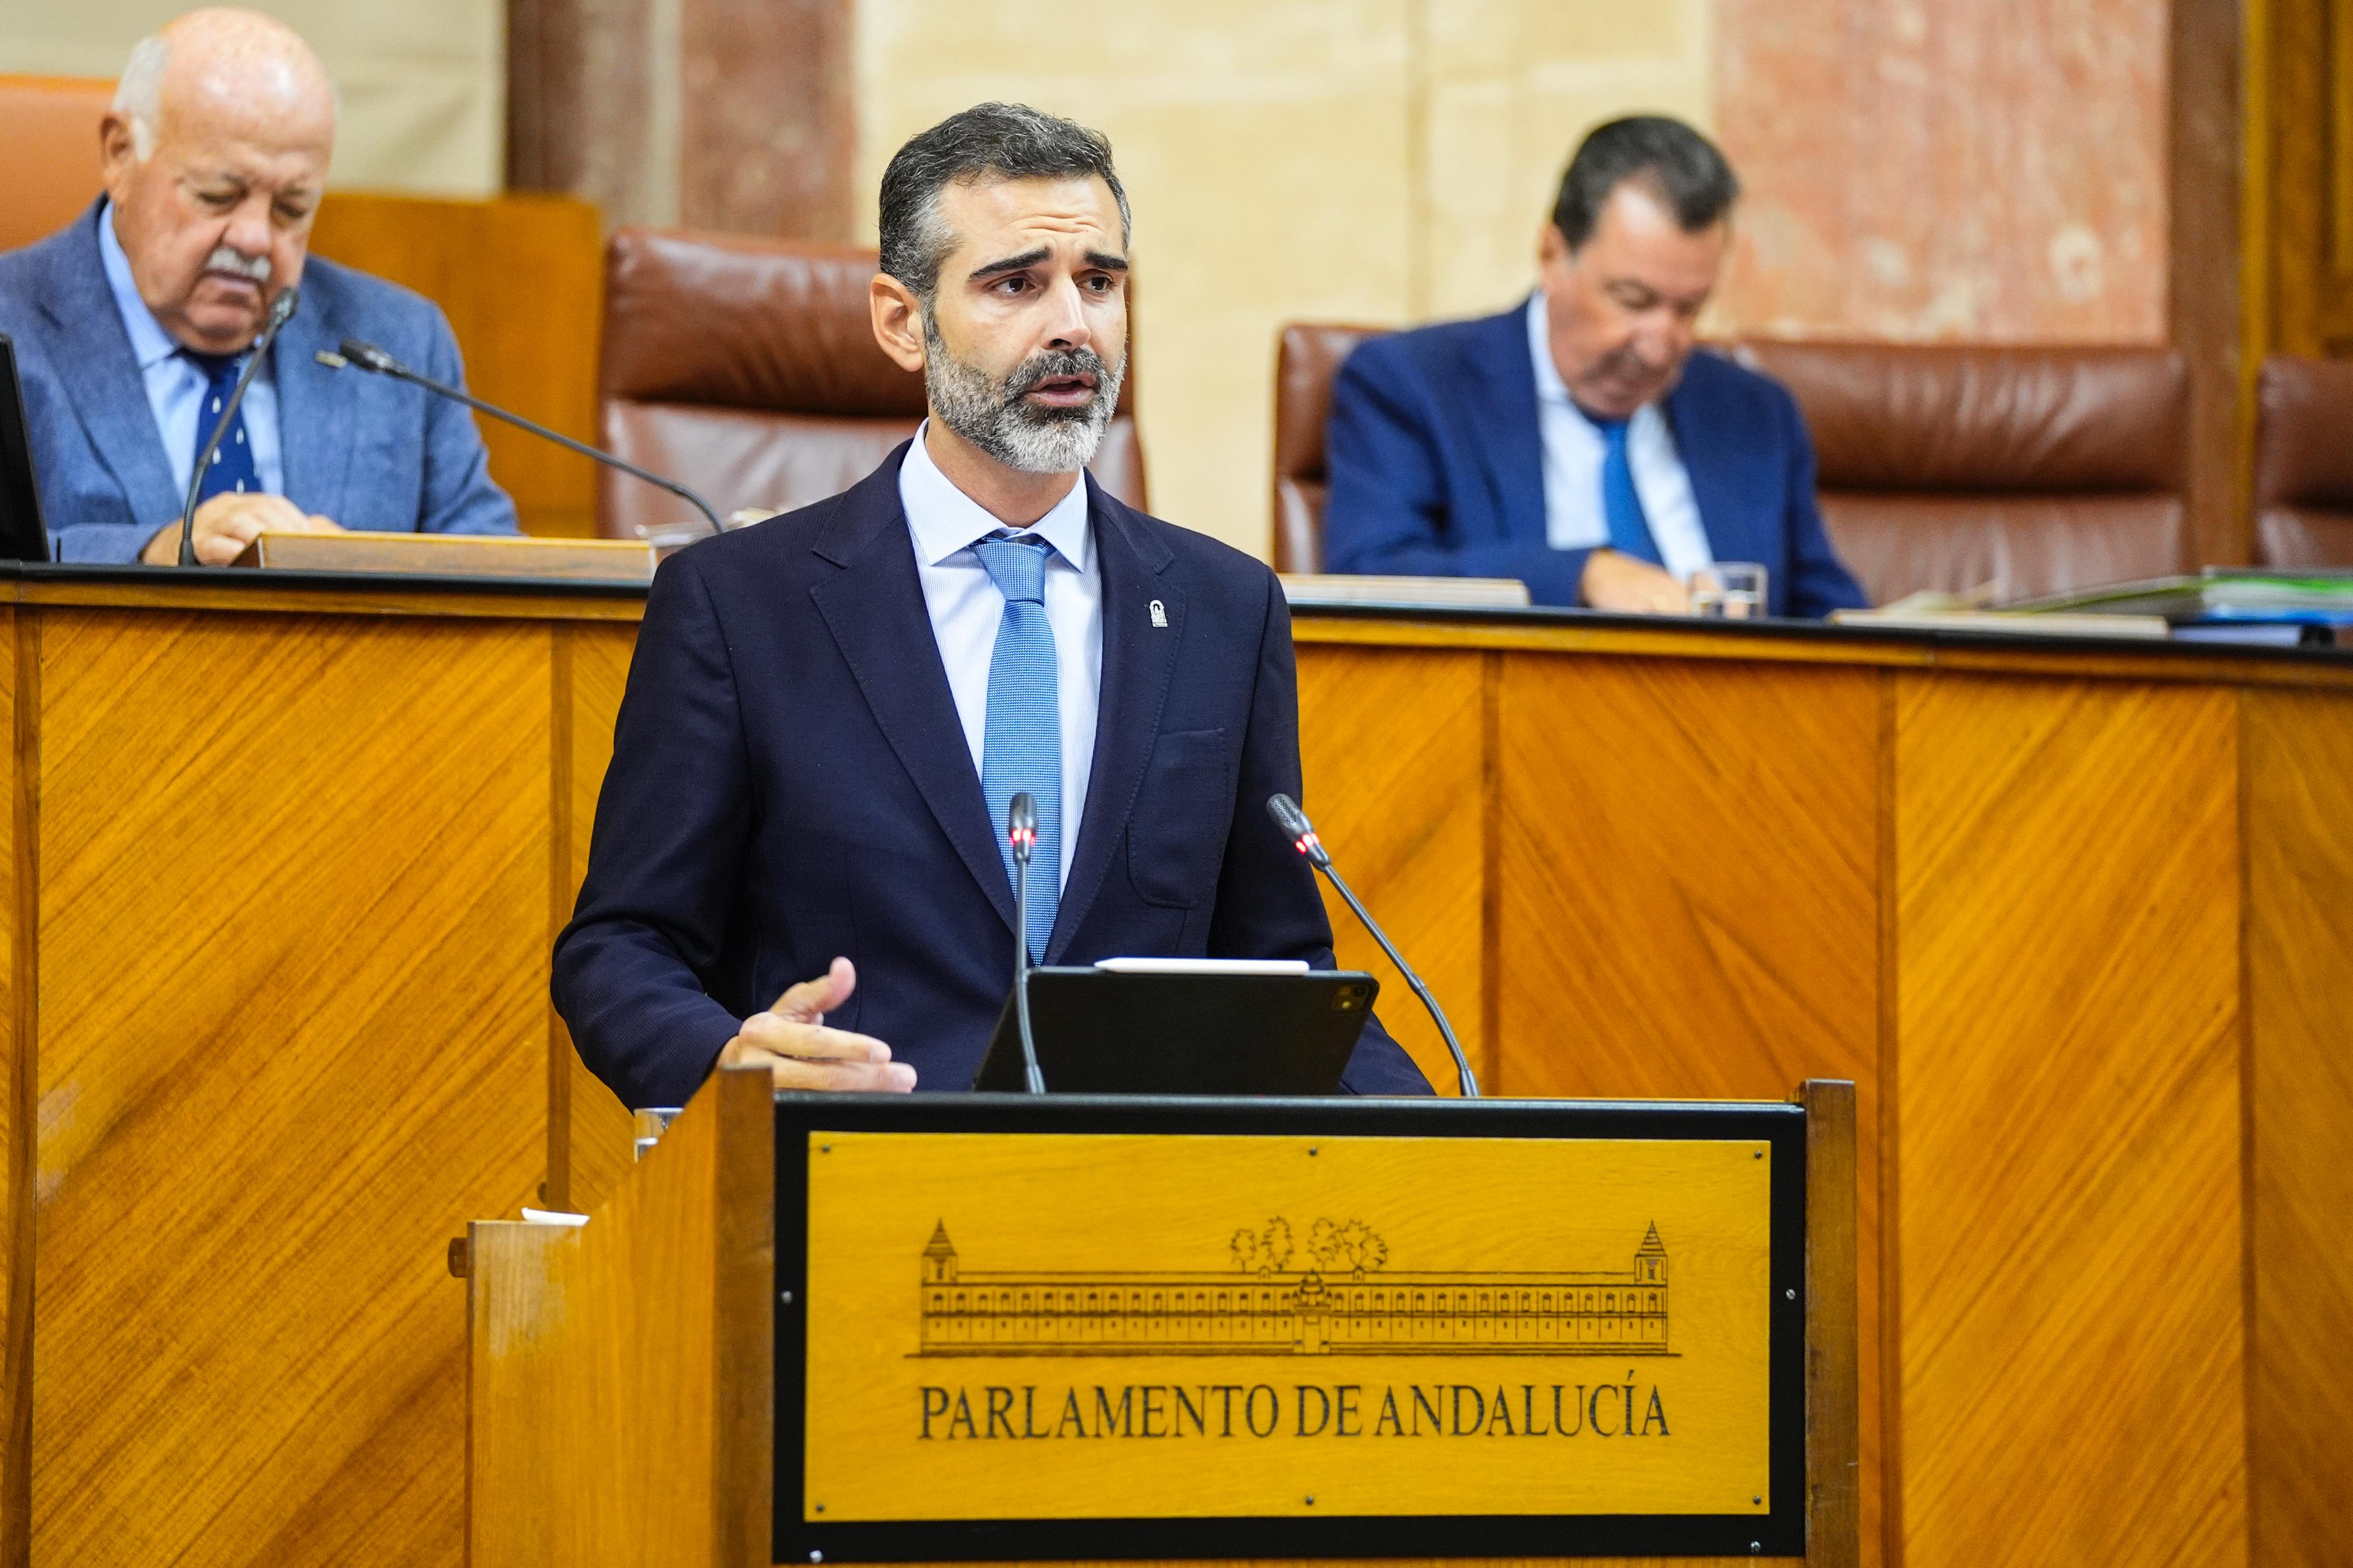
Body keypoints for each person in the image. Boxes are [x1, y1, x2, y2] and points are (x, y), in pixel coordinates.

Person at [553, 103, 1429, 1107]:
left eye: (1100, 283)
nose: (1073, 325)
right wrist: (725, 1060)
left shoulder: (1223, 609)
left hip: (1137, 1204)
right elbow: (622, 947)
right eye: (1017, 284)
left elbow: (1283, 972)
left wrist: (1460, 1150)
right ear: (902, 321)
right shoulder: (741, 605)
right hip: (854, 1188)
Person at [0, 8, 517, 564]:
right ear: (121, 154)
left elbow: (502, 579)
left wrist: (371, 571)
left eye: (291, 209)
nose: (252, 239)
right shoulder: (14, 321)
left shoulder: (398, 342)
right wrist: (152, 551)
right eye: (217, 195)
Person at [1321, 115, 1865, 619]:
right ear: (1553, 255)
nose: (1659, 346)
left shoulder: (1754, 414)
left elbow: (1837, 622)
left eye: (1688, 310)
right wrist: (1583, 573)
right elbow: (1371, 577)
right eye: (1633, 300)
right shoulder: (1414, 385)